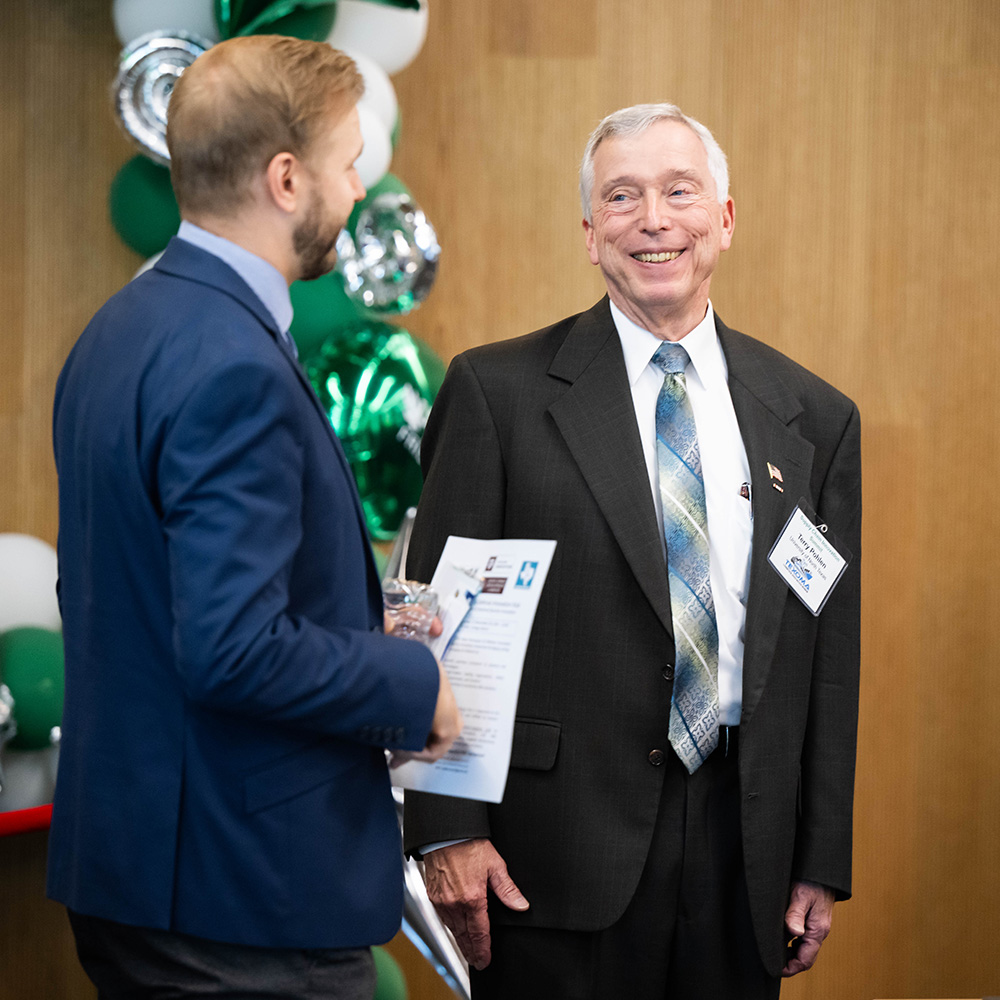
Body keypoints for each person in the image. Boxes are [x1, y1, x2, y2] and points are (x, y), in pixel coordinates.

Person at [403, 103, 861, 998]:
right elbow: (436, 626)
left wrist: (819, 855)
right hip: (552, 853)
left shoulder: (814, 416)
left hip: (746, 852)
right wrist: (446, 827)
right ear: (589, 234)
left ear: (724, 220)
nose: (653, 219)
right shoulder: (496, 394)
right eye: (622, 196)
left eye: (679, 191)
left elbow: (826, 655)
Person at [49, 35, 461, 1000]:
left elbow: (133, 594)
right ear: (286, 178)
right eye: (349, 163)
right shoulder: (232, 361)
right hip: (239, 903)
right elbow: (231, 646)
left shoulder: (120, 328)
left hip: (137, 868)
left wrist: (358, 626)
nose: (358, 192)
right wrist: (411, 681)